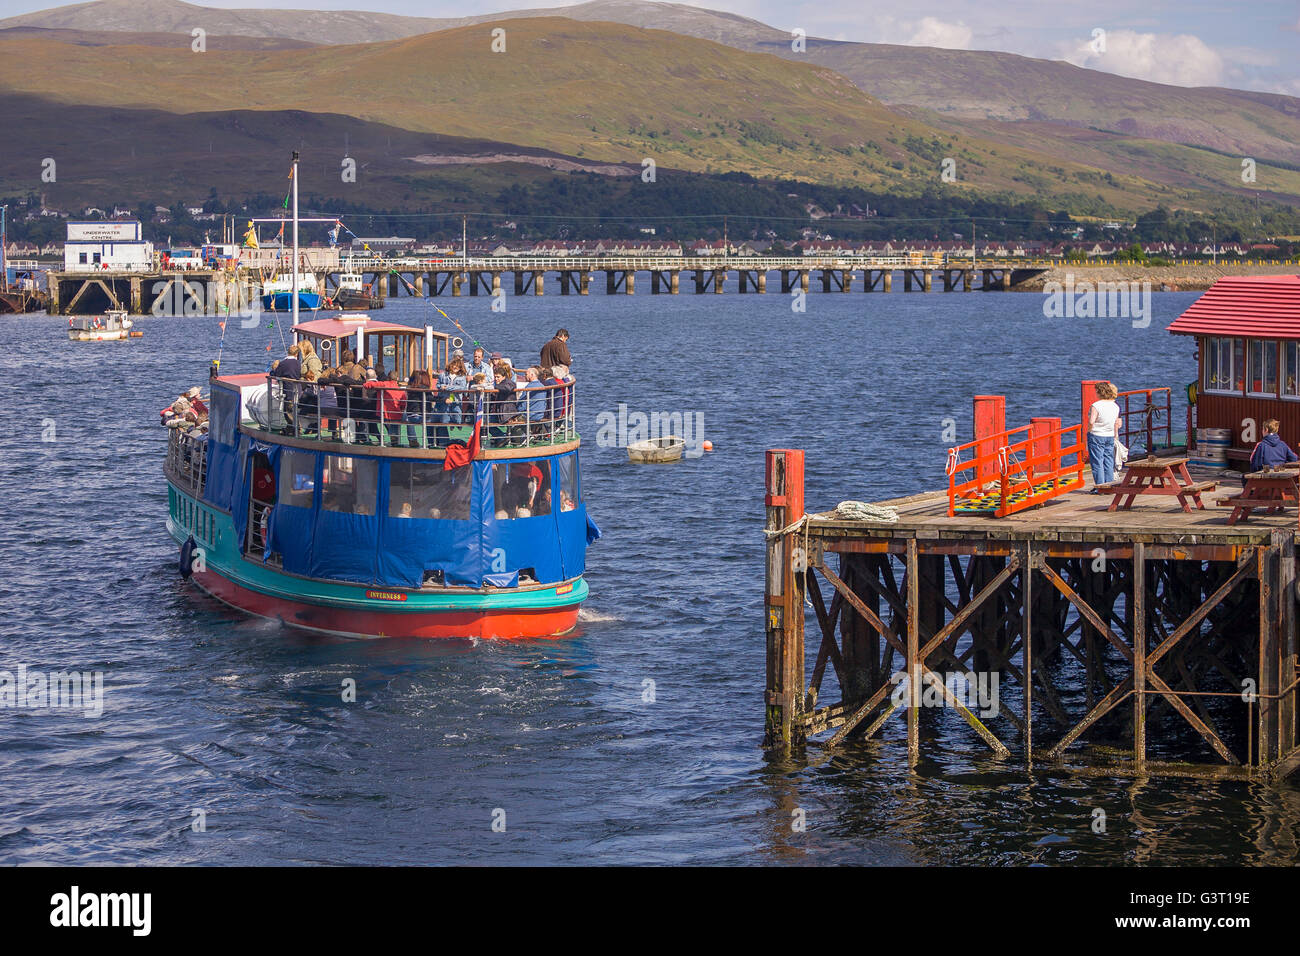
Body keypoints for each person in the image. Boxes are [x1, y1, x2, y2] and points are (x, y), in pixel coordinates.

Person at [1087, 381, 1123, 487]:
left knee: (1097, 461)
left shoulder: (1096, 405)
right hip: (1109, 435)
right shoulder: (1115, 406)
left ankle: (1100, 486)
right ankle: (1109, 484)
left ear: (1099, 392)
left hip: (1097, 434)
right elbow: (1117, 422)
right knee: (1108, 460)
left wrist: (1089, 430)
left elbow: (1091, 421)